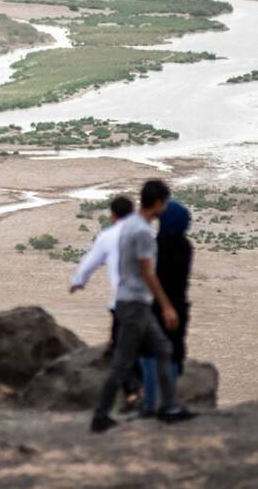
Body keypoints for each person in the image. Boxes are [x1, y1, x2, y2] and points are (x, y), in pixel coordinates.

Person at [92, 180, 195, 431]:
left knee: (160, 350)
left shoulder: (133, 226)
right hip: (135, 303)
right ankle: (101, 414)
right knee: (123, 363)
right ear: (158, 202)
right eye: (165, 202)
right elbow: (148, 273)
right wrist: (166, 306)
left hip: (136, 301)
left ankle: (165, 407)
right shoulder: (143, 233)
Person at [138, 198, 193, 417]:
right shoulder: (185, 247)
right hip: (179, 307)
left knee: (150, 354)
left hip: (157, 306)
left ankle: (151, 404)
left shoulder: (157, 247)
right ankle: (169, 404)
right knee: (173, 353)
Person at [70, 195, 135, 355]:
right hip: (148, 302)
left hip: (122, 302)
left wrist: (78, 281)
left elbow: (90, 263)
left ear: (113, 215)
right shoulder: (148, 235)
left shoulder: (108, 236)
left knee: (119, 348)